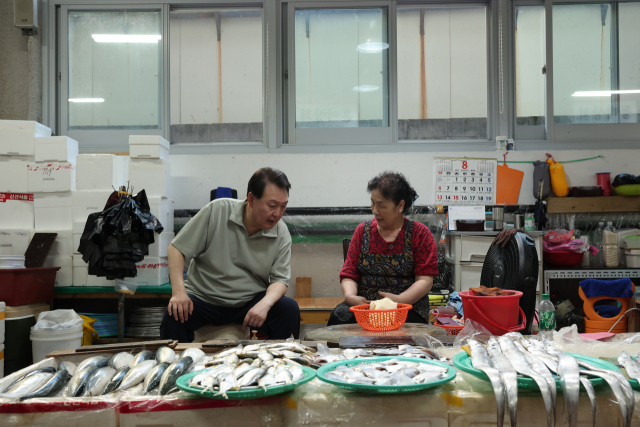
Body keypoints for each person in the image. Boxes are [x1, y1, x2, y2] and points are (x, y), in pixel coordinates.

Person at [160, 167, 300, 342]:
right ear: (251, 199)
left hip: (248, 302)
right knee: (173, 315)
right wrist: (179, 292)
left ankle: (281, 364)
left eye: (283, 207)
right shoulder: (217, 211)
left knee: (288, 309)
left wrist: (264, 304)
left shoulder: (281, 232)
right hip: (205, 298)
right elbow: (176, 249)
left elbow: (280, 279)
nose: (277, 214)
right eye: (272, 206)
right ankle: (178, 367)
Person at [327, 172, 438, 326]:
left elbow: (425, 280)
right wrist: (350, 296)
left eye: (382, 206)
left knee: (410, 328)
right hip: (365, 307)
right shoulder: (362, 231)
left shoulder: (420, 234)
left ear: (400, 206)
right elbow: (349, 273)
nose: (375, 210)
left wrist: (400, 300)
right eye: (373, 203)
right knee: (338, 317)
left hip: (406, 308)